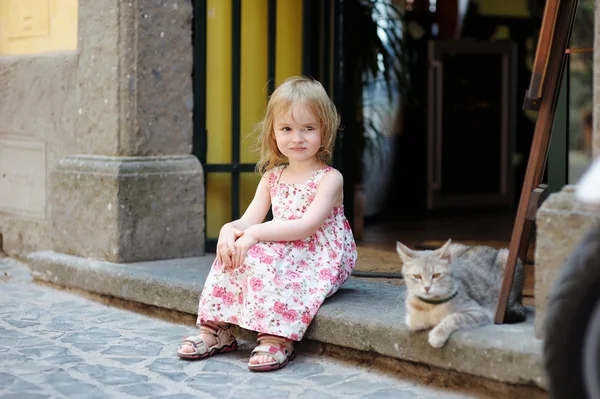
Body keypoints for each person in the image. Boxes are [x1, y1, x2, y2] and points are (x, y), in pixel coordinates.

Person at [177, 76, 357, 372]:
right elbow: (248, 221)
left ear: (324, 130)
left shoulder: (330, 178)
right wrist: (228, 231)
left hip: (321, 254)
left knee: (266, 256)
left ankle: (277, 336)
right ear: (273, 133)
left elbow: (306, 227)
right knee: (232, 249)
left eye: (308, 129)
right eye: (287, 129)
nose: (296, 138)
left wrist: (255, 235)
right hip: (282, 242)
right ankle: (216, 330)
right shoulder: (272, 177)